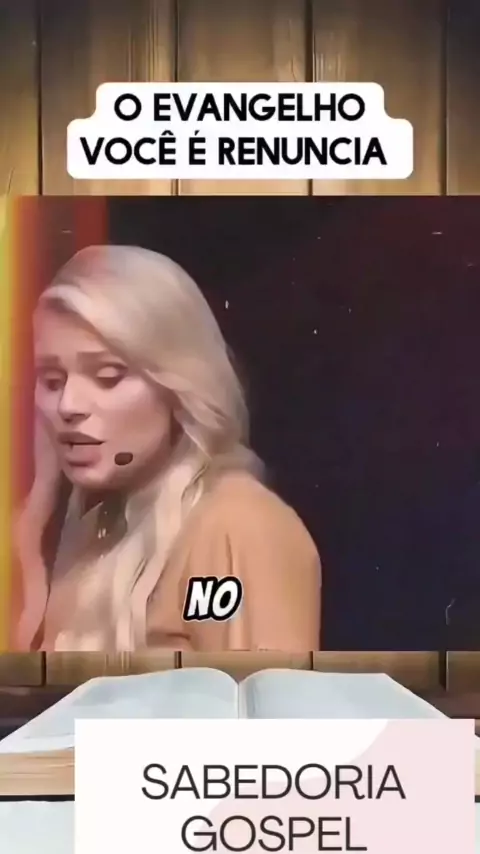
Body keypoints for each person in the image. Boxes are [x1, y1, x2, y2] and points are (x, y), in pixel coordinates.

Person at [14, 245, 321, 653]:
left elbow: (259, 690)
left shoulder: (234, 528)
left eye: (108, 377)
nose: (68, 405)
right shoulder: (95, 527)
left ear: (179, 383)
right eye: (52, 381)